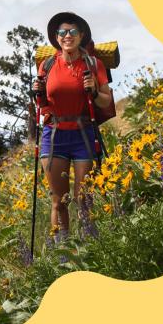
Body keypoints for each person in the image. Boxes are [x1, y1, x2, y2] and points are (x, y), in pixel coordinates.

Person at [31, 12, 113, 241]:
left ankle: (91, 247)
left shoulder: (93, 64)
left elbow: (106, 100)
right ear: (56, 38)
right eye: (62, 32)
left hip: (83, 135)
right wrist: (37, 94)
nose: (68, 36)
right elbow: (43, 105)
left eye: (73, 31)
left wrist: (95, 91)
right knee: (59, 200)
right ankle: (62, 255)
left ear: (81, 35)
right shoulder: (46, 65)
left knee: (84, 198)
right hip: (54, 136)